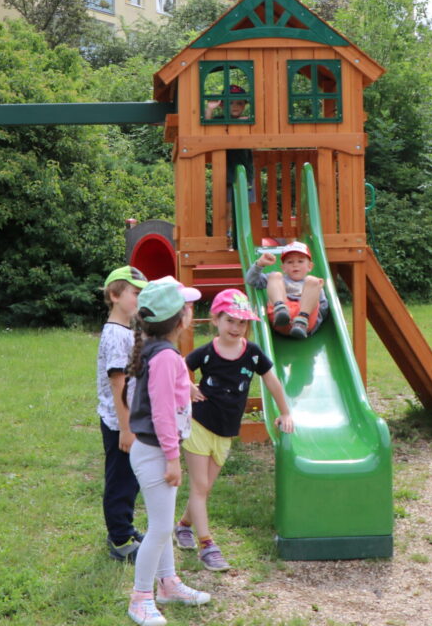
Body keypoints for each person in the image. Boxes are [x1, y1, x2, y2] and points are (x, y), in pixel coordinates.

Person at [176, 289, 294, 571]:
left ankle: (183, 525)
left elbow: (272, 381)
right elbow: (178, 367)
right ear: (215, 320)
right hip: (199, 425)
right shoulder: (206, 353)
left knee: (205, 487)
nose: (236, 327)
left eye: (242, 322)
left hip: (226, 431)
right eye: (230, 320)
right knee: (200, 486)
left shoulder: (252, 354)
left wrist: (285, 412)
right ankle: (207, 545)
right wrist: (188, 386)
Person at [123, 276, 211, 626]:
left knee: (162, 522)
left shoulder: (158, 351)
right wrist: (173, 460)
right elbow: (160, 413)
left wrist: (184, 386)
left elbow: (153, 394)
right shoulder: (165, 357)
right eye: (187, 306)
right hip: (156, 453)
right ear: (179, 319)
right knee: (160, 529)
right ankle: (140, 598)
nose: (191, 309)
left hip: (152, 450)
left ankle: (168, 584)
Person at [98, 266, 149, 562]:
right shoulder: (116, 335)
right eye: (136, 293)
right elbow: (118, 382)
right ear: (115, 295)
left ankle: (125, 528)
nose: (140, 299)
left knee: (130, 479)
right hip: (120, 423)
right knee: (121, 482)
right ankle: (119, 539)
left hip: (129, 421)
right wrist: (126, 428)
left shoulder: (126, 331)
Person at [245, 241, 327, 339]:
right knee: (275, 275)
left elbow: (323, 307)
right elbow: (251, 280)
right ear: (283, 268)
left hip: (305, 321)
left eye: (300, 261)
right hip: (280, 318)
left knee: (314, 281)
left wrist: (314, 323)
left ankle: (301, 319)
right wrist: (260, 264)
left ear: (310, 266)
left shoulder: (312, 284)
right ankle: (280, 309)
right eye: (290, 262)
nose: (295, 265)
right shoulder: (279, 280)